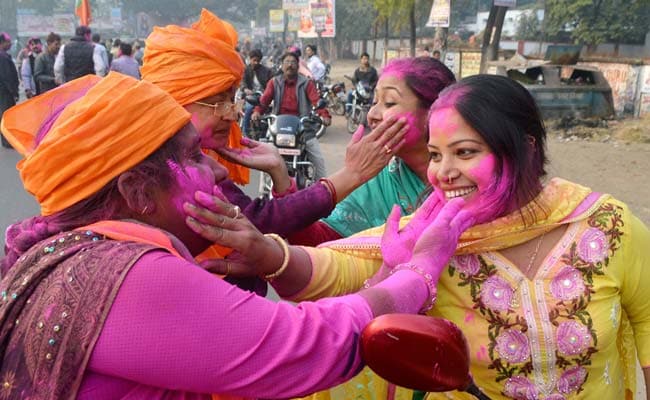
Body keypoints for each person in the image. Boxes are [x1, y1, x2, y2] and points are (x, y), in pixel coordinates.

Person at [0, 71, 472, 399]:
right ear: (136, 192)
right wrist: (417, 271)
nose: (212, 167)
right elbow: (309, 344)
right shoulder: (129, 274)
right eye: (192, 157)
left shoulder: (62, 248)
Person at [224, 74, 650, 400]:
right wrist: (268, 255)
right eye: (434, 154)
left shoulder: (605, 224)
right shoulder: (432, 237)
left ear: (527, 148)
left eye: (465, 152)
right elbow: (335, 268)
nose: (443, 173)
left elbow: (647, 322)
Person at [140, 10, 407, 272]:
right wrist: (351, 174)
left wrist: (286, 164)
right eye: (219, 102)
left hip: (300, 128)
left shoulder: (307, 83)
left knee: (315, 153)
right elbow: (262, 221)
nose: (233, 113)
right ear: (176, 101)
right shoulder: (163, 165)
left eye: (390, 102)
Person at [291, 57, 456, 245]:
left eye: (390, 103)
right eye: (375, 102)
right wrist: (284, 187)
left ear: (434, 113)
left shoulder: (471, 176)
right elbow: (322, 245)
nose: (372, 115)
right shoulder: (376, 178)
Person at [252, 51, 330, 181]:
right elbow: (264, 100)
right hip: (278, 126)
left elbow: (316, 100)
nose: (290, 65)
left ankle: (321, 190)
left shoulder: (306, 83)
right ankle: (264, 191)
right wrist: (257, 111)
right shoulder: (274, 82)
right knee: (265, 155)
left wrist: (324, 115)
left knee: (318, 160)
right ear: (281, 66)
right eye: (287, 62)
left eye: (293, 62)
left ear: (298, 65)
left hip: (302, 127)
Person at [240, 48, 273, 136]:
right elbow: (242, 81)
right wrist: (245, 89)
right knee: (249, 108)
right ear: (250, 59)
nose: (256, 63)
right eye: (254, 60)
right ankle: (245, 132)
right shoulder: (245, 70)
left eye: (258, 61)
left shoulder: (266, 71)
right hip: (250, 97)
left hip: (264, 96)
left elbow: (272, 82)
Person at [0, 32, 18, 149]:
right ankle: (7, 141)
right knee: (6, 115)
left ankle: (6, 140)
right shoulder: (3, 57)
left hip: (4, 90)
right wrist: (14, 92)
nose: (10, 44)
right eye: (8, 42)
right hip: (5, 92)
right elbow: (7, 76)